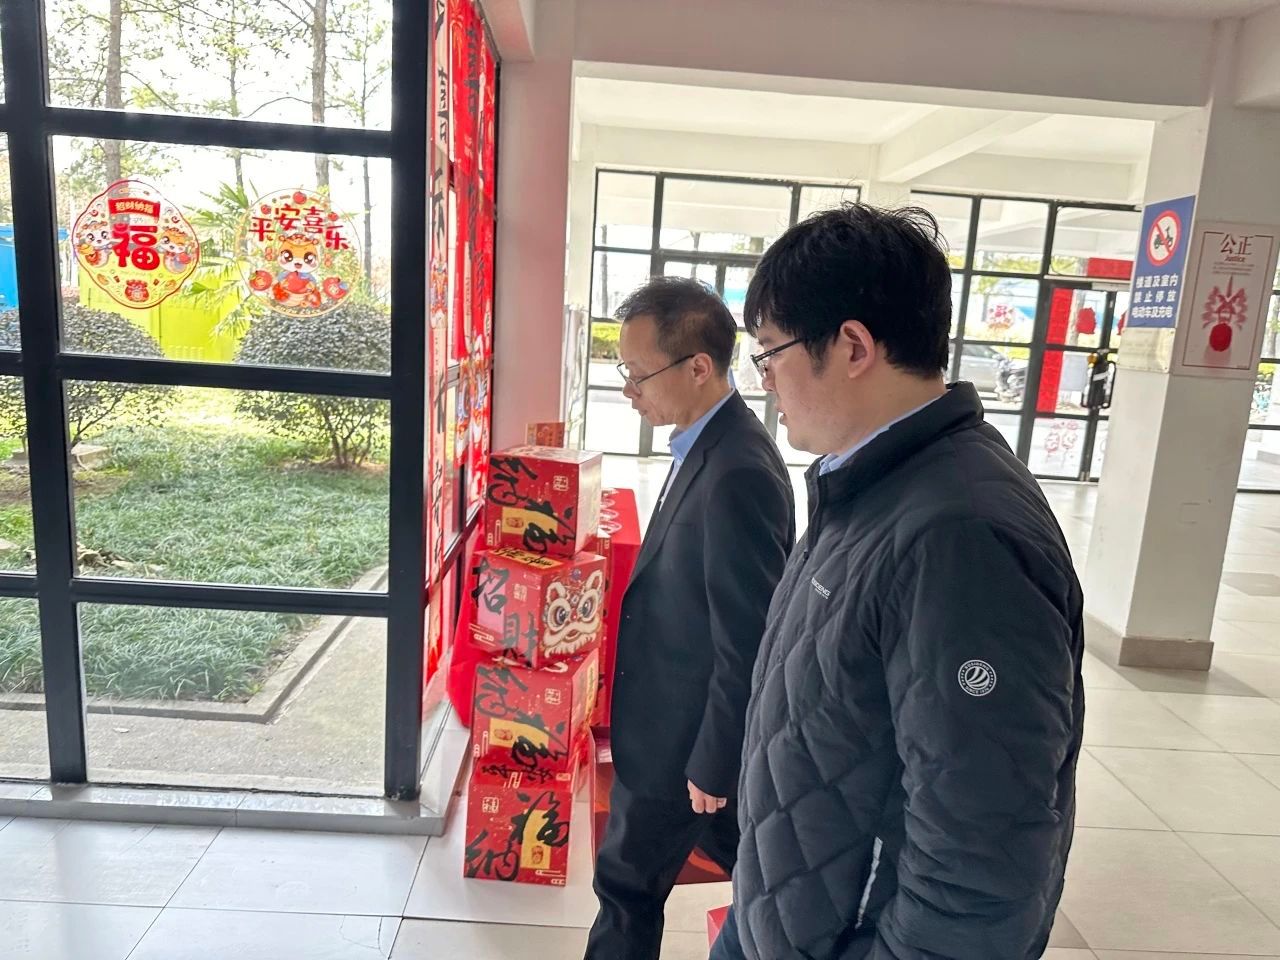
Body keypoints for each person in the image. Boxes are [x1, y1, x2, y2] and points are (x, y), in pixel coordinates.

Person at [711, 204, 1085, 960]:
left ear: (852, 346)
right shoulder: (870, 482)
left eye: (769, 354)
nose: (765, 383)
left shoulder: (960, 536)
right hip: (789, 916)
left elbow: (981, 863)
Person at [585, 277, 795, 960]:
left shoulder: (738, 471)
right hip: (671, 729)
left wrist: (714, 761)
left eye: (639, 373)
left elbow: (748, 637)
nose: (629, 389)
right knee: (752, 876)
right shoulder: (701, 444)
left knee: (626, 886)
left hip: (683, 745)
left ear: (699, 367)